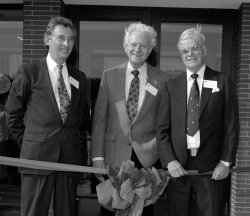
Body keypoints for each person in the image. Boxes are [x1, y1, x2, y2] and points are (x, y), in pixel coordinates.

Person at [6, 16, 89, 216]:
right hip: (36, 160)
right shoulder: (29, 72)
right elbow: (12, 115)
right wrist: (30, 142)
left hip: (68, 161)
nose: (66, 44)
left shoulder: (79, 77)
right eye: (61, 37)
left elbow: (81, 120)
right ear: (47, 39)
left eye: (70, 39)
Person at [156, 27, 239, 216]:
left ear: (204, 50)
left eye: (194, 48)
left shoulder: (223, 81)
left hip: (212, 171)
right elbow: (162, 130)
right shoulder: (170, 86)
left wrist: (225, 163)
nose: (190, 54)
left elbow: (231, 126)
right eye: (184, 51)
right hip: (178, 171)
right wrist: (169, 161)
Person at [91, 22, 170, 216]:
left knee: (143, 212)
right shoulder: (109, 76)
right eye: (133, 44)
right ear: (125, 46)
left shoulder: (163, 79)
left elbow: (164, 124)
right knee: (111, 211)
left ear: (150, 49)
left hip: (147, 162)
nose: (138, 49)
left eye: (143, 45)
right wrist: (97, 157)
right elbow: (100, 120)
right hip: (113, 157)